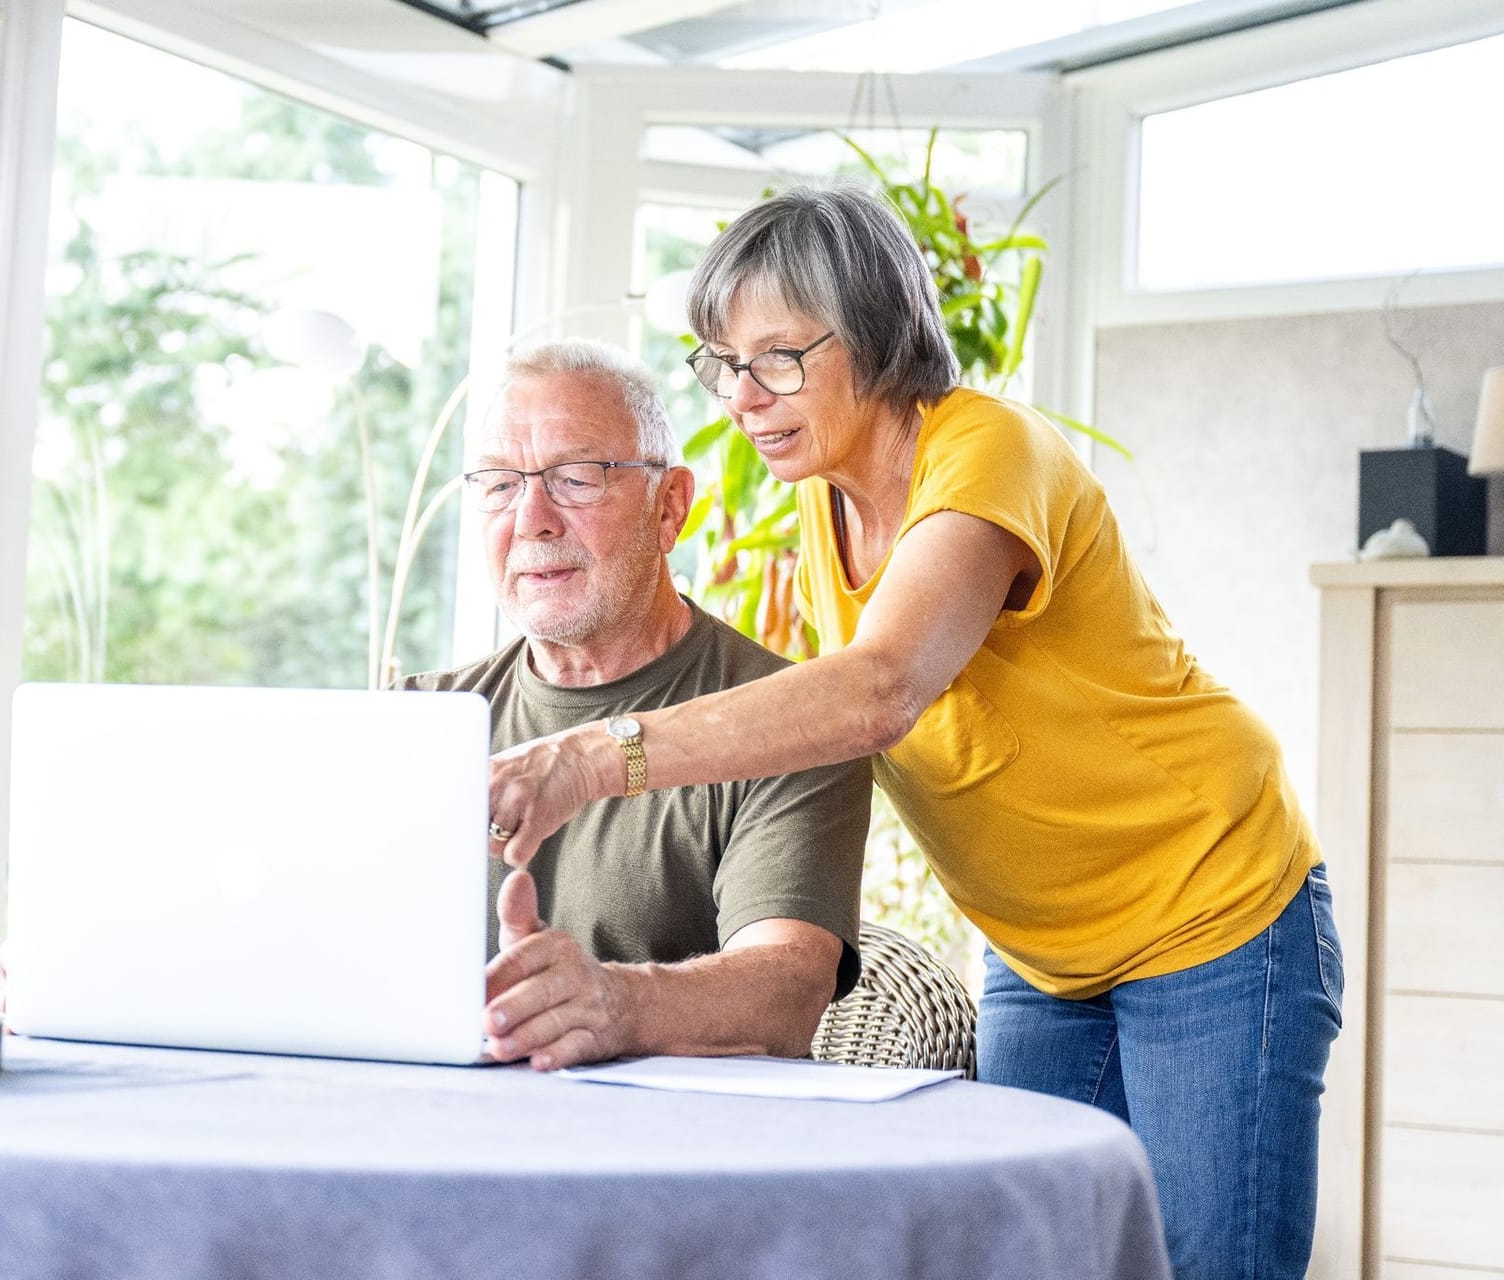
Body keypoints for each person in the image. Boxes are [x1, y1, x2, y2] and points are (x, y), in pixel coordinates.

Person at [483, 185, 1341, 1280]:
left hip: (1214, 908)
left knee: (1206, 1267)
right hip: (1041, 951)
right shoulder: (823, 497)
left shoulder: (986, 452)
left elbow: (879, 688)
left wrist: (596, 754)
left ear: (879, 332)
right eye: (724, 362)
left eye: (779, 358)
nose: (744, 395)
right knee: (1031, 1250)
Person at [0, 338, 873, 1074]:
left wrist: (620, 1002)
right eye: (496, 482)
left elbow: (787, 991)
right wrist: (96, 969)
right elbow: (275, 934)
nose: (531, 518)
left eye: (576, 476)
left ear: (670, 504)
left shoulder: (787, 717)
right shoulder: (413, 724)